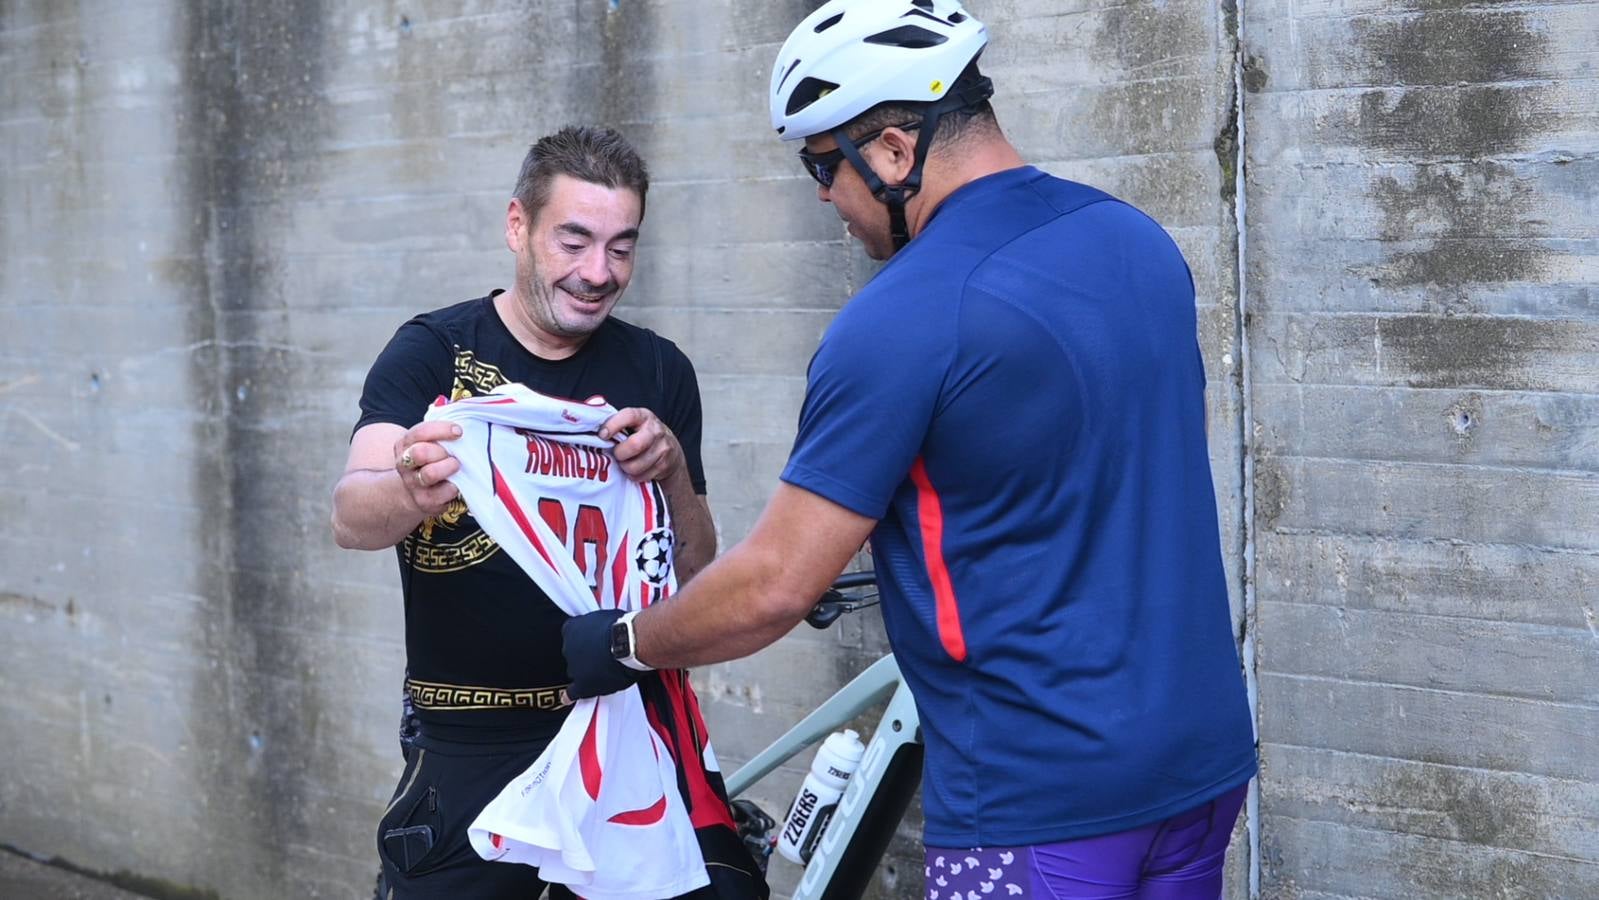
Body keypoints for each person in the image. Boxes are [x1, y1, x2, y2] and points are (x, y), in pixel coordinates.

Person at [560, 2, 1259, 898]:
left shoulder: (902, 318)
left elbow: (776, 584)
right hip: (1197, 761)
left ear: (892, 150)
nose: (821, 195)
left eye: (822, 165)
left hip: (1040, 797)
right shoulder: (1135, 239)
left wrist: (623, 642)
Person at [331, 126, 758, 899]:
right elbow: (351, 517)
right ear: (517, 227)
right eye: (574, 241)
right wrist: (410, 484)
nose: (598, 272)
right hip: (469, 744)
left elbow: (697, 571)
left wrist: (670, 478)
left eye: (621, 247)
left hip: (628, 730)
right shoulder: (434, 352)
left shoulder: (659, 370)